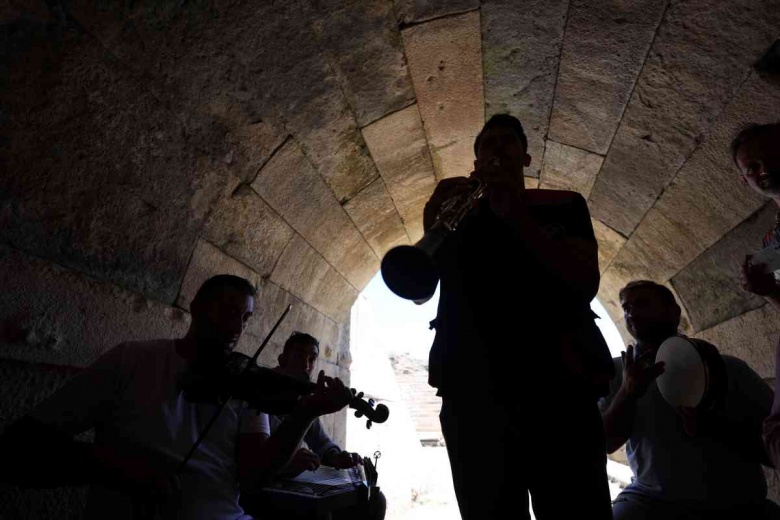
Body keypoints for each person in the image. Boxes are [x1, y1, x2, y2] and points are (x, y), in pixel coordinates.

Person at [0, 274, 353, 520]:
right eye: (229, 311)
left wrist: (306, 412)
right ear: (197, 306)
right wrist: (116, 468)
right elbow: (20, 448)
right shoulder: (133, 359)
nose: (237, 328)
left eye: (245, 318)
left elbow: (254, 474)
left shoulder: (246, 382)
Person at [423, 113, 613, 520]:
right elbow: (421, 291)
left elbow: (584, 283)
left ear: (526, 159)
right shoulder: (458, 219)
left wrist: (518, 217)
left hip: (559, 393)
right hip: (473, 398)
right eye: (487, 144)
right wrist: (431, 222)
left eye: (507, 141)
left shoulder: (564, 205)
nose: (496, 149)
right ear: (475, 162)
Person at [601, 280, 777, 519]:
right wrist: (627, 392)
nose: (631, 313)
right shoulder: (616, 372)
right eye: (626, 307)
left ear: (674, 312)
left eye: (642, 303)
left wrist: (718, 429)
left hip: (735, 503)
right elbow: (605, 443)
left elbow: (774, 449)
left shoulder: (730, 369)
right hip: (650, 501)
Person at [252, 331, 386, 520]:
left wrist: (336, 457)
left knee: (375, 500)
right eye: (299, 355)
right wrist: (287, 464)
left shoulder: (302, 398)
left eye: (312, 359)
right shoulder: (258, 392)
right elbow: (252, 462)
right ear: (283, 359)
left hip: (286, 486)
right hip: (259, 490)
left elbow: (322, 443)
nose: (306, 365)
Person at [733, 122, 780, 470]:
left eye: (772, 157)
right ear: (743, 180)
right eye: (751, 167)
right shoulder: (771, 240)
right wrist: (771, 293)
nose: (763, 170)